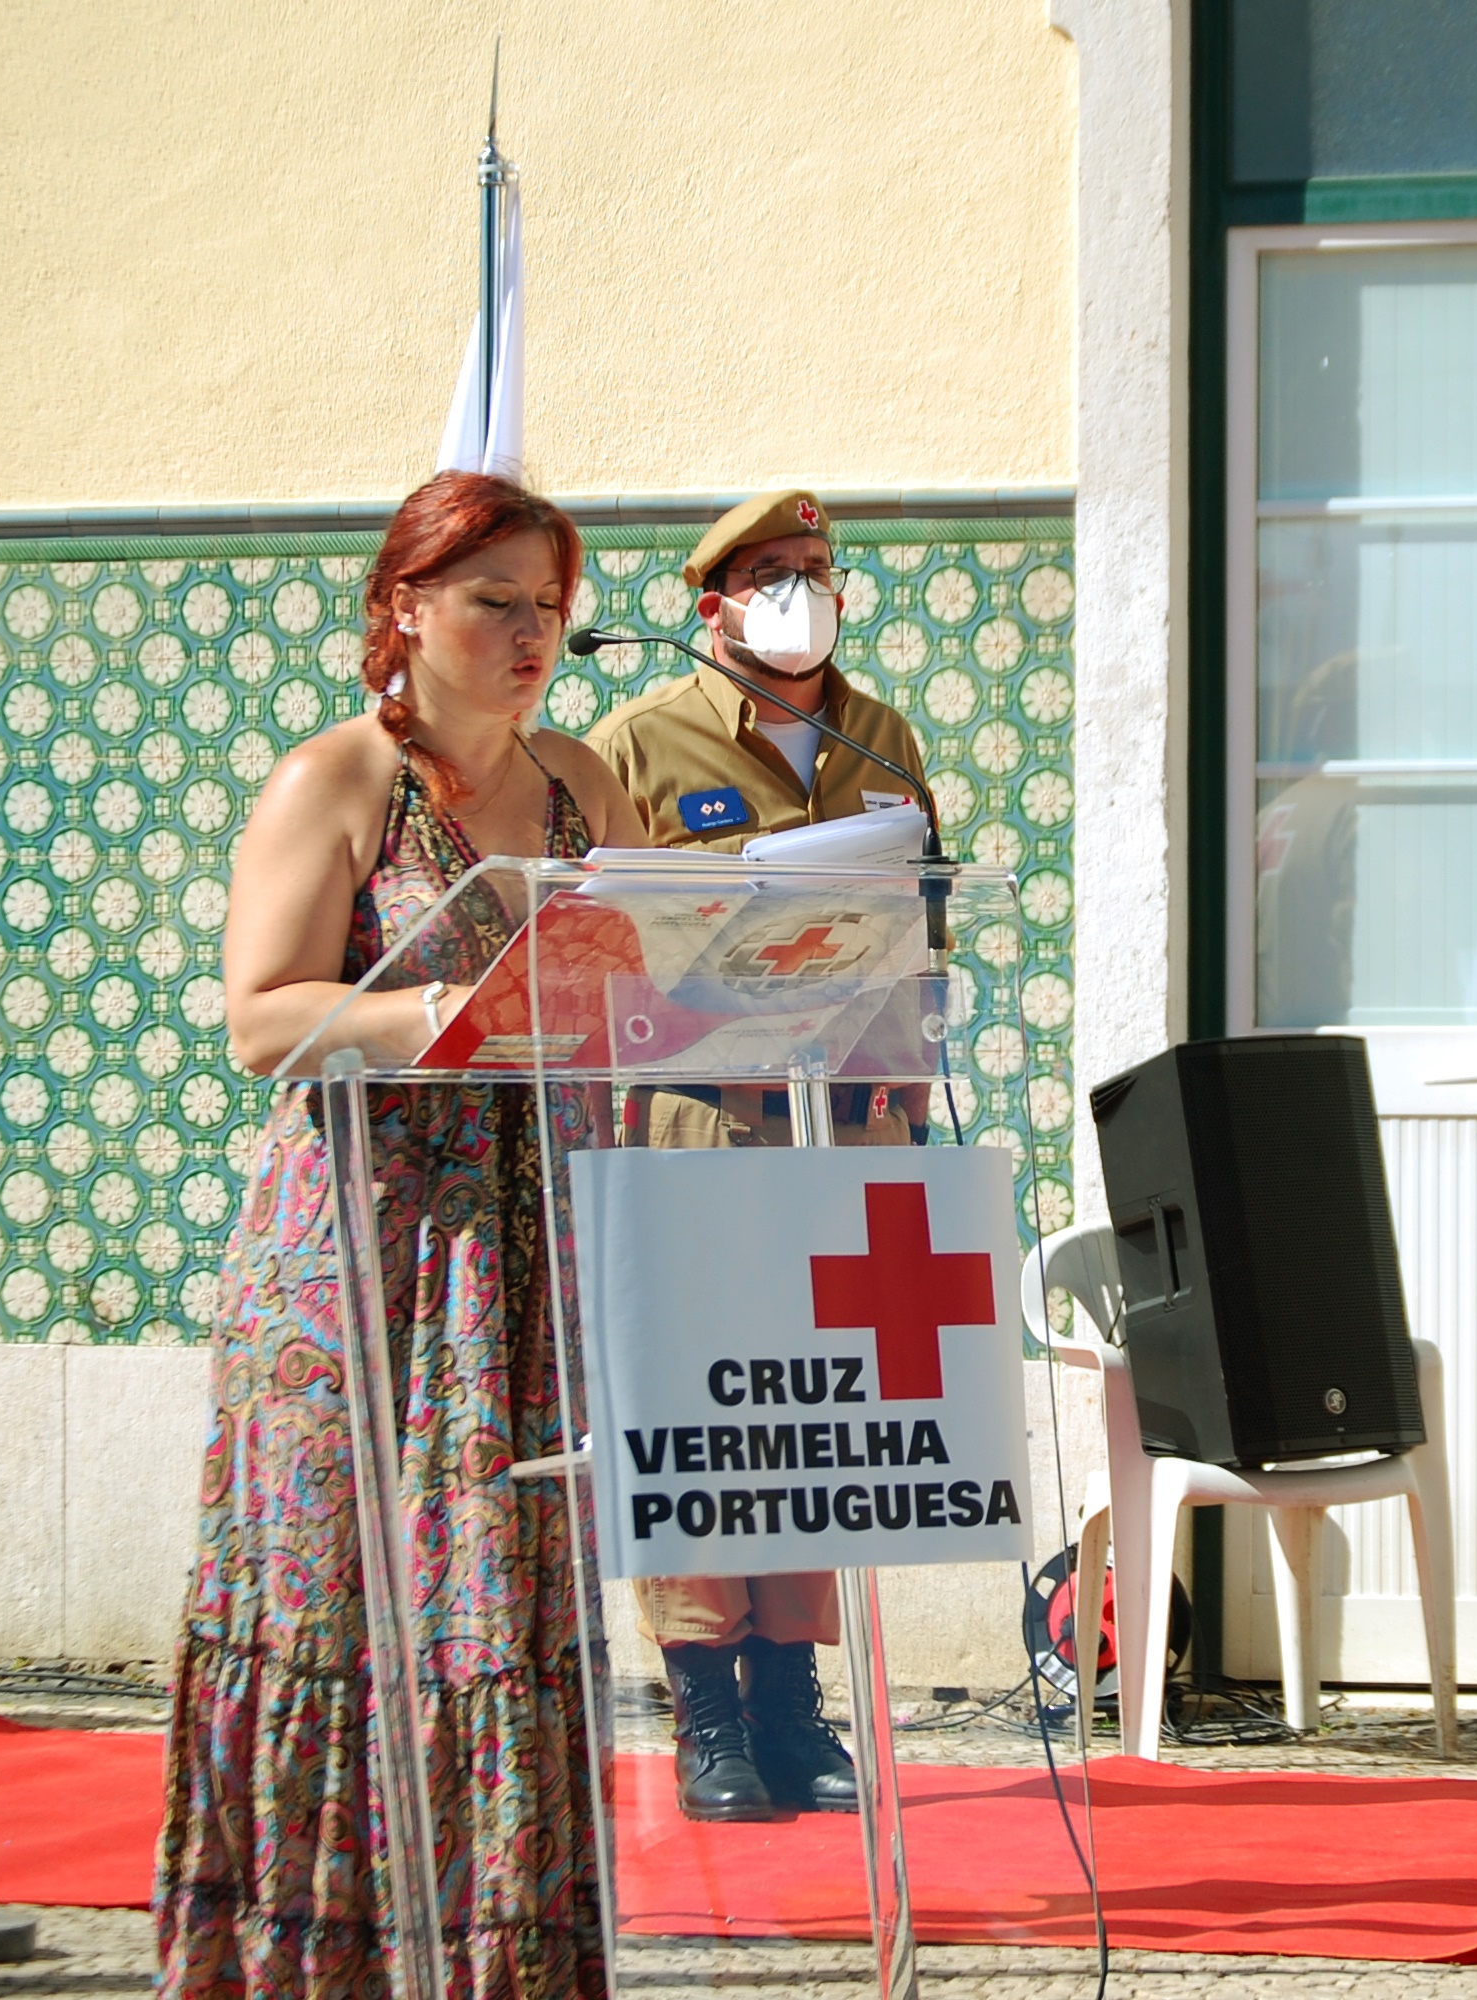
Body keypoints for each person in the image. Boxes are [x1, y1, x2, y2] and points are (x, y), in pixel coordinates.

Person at [159, 471, 648, 2000]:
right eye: (495, 601)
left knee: (501, 1606)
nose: (531, 634)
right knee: (340, 1604)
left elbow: (638, 986)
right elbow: (259, 1020)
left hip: (525, 1266)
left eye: (550, 605)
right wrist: (445, 1010)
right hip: (361, 1262)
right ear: (405, 607)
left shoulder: (585, 787)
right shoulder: (337, 780)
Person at [584, 489, 932, 1822]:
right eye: (772, 571)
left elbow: (929, 926)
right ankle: (706, 1711)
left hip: (847, 1122)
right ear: (711, 604)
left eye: (818, 567)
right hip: (701, 1119)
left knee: (808, 1415)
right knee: (697, 1413)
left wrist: (909, 1107)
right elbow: (598, 944)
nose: (803, 590)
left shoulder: (879, 735)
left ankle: (791, 1703)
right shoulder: (636, 741)